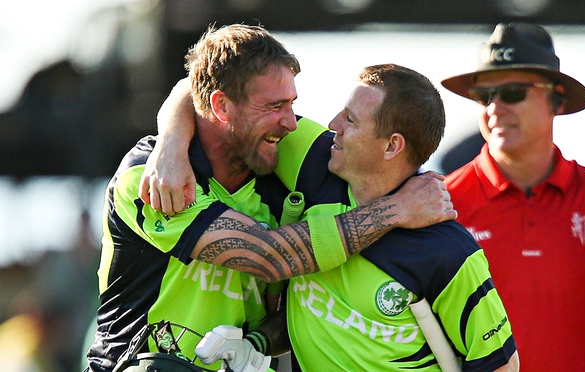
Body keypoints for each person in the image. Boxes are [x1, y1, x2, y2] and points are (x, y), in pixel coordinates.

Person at [85, 24, 456, 372]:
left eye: (292, 103)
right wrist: (395, 211)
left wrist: (258, 343)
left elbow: (381, 163)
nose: (292, 122)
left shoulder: (281, 148)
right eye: (274, 106)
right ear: (221, 108)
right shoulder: (149, 178)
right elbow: (267, 257)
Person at [144, 64, 519, 370]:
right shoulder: (317, 165)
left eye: (351, 119)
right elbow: (204, 87)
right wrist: (171, 144)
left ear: (392, 146)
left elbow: (502, 366)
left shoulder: (446, 250)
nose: (332, 124)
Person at [440, 22, 585, 371]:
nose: (494, 108)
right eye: (483, 96)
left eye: (511, 93)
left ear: (557, 99)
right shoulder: (442, 204)